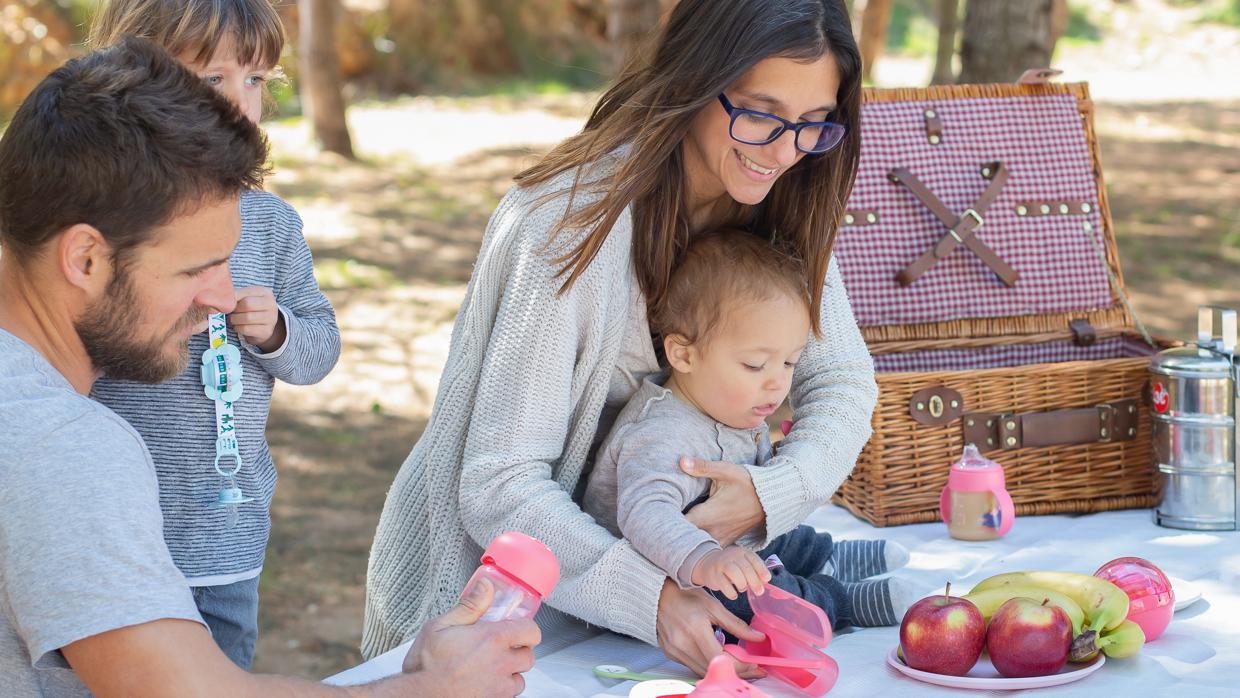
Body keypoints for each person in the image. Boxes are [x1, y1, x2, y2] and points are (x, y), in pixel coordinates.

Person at [0, 38, 536, 697]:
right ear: (85, 259)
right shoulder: (63, 445)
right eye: (197, 269)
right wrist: (429, 690)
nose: (224, 298)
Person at [365, 0, 878, 677]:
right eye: (759, 113)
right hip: (493, 619)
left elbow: (842, 382)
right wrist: (655, 597)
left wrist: (771, 493)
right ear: (694, 79)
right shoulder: (563, 227)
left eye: (813, 124)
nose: (785, 151)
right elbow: (501, 482)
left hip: (654, 619)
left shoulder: (789, 201)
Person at [87, 0, 340, 669]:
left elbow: (320, 349)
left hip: (229, 535)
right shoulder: (104, 219)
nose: (239, 102)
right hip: (118, 540)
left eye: (255, 79)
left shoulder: (271, 224)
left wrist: (278, 330)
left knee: (223, 679)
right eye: (214, 78)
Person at [583, 229, 915, 631]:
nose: (777, 383)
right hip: (673, 571)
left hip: (728, 541)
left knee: (774, 525)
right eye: (756, 365)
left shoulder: (726, 402)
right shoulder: (662, 435)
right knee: (755, 592)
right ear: (683, 354)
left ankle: (822, 555)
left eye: (789, 363)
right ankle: (838, 603)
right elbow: (644, 514)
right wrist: (705, 558)